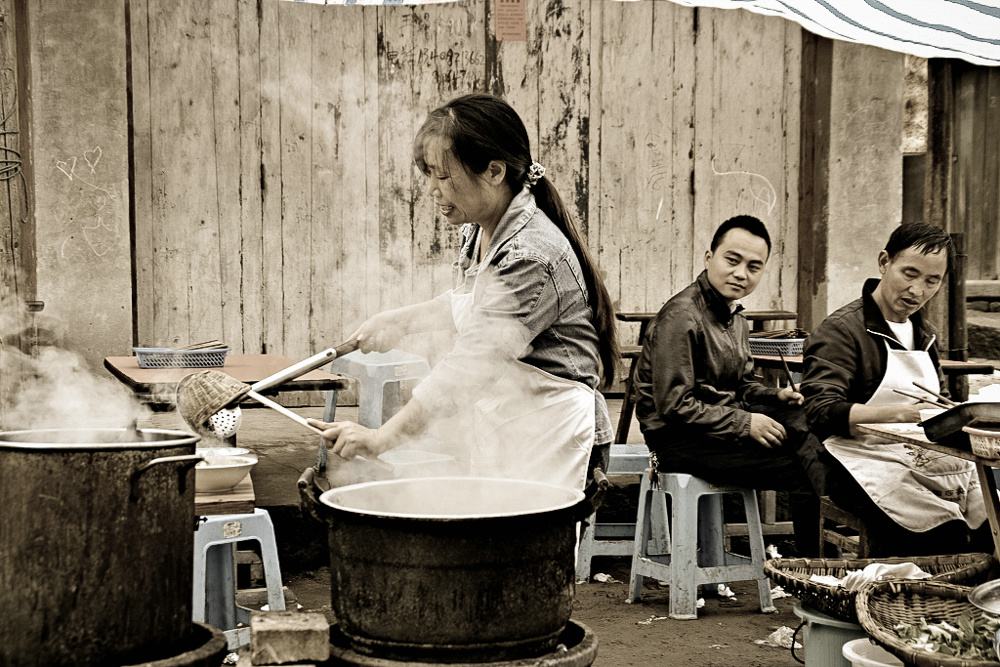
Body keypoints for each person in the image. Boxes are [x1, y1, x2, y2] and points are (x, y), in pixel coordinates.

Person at [306, 93, 619, 490]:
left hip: (552, 431)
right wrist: (398, 322)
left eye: (442, 175)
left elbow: (471, 365)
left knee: (532, 548)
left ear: (494, 171)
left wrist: (382, 438)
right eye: (428, 175)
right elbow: (469, 306)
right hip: (510, 423)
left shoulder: (531, 255)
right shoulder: (480, 229)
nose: (432, 191)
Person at [634, 215, 824, 556]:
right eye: (732, 260)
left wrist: (774, 395)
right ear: (710, 259)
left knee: (811, 426)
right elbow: (674, 406)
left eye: (754, 266)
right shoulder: (682, 316)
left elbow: (743, 384)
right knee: (804, 468)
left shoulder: (734, 316)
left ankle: (815, 563)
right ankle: (814, 566)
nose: (741, 274)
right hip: (677, 441)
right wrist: (746, 423)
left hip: (717, 431)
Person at [802, 222, 988, 556]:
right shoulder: (842, 331)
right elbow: (819, 410)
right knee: (943, 531)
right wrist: (898, 415)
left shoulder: (924, 332)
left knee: (989, 519)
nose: (917, 290)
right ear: (884, 262)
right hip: (855, 457)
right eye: (909, 273)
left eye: (932, 280)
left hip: (918, 456)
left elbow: (937, 399)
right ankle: (911, 599)